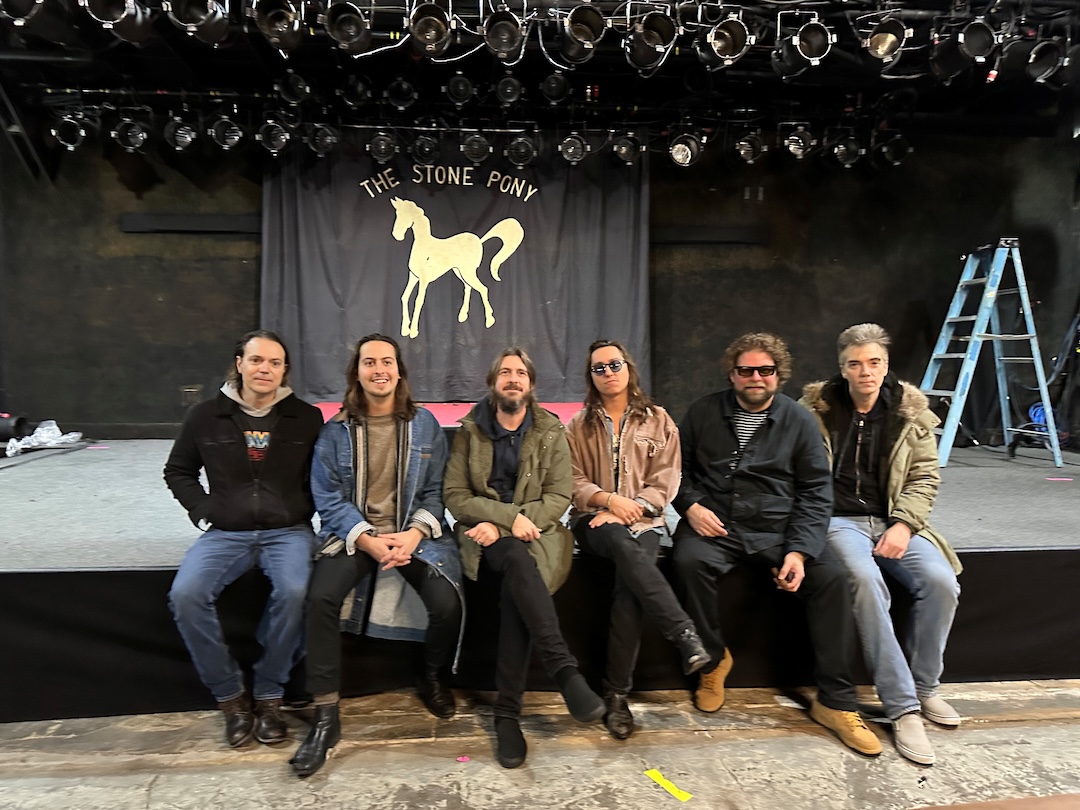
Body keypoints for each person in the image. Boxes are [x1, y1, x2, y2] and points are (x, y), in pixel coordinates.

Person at [671, 331, 882, 757]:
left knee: (833, 580)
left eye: (764, 370)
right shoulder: (702, 413)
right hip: (718, 524)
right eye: (745, 370)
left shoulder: (800, 421)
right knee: (687, 560)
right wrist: (690, 506)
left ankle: (835, 702)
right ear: (732, 374)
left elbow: (815, 492)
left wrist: (800, 551)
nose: (755, 378)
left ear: (778, 376)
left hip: (778, 529)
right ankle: (713, 661)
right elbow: (676, 472)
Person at [290, 334, 463, 778]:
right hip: (356, 537)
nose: (379, 369)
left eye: (387, 361)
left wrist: (415, 533)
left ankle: (433, 676)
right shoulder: (335, 431)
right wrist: (364, 536)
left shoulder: (425, 426)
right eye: (370, 362)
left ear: (399, 371)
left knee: (447, 603)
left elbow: (436, 491)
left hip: (412, 534)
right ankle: (326, 716)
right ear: (357, 372)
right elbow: (325, 496)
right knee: (320, 599)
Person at [801, 323, 962, 766]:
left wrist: (904, 525)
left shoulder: (912, 413)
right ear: (842, 368)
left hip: (896, 521)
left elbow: (925, 476)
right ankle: (902, 707)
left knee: (941, 581)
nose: (865, 371)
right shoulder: (815, 410)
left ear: (886, 365)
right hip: (839, 522)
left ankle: (925, 688)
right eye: (855, 364)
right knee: (865, 582)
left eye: (874, 362)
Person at [444, 347, 604, 769]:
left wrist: (512, 523)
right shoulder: (469, 430)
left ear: (531, 385)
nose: (512, 379)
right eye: (505, 373)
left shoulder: (551, 431)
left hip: (538, 534)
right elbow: (455, 497)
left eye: (520, 373)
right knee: (515, 559)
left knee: (519, 576)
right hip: (484, 536)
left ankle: (507, 714)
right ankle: (562, 668)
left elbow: (557, 498)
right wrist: (505, 520)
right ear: (492, 383)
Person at [165, 329, 323, 748]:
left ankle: (269, 695)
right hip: (227, 532)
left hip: (288, 531)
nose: (265, 369)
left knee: (295, 592)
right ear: (239, 363)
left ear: (285, 370)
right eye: (256, 360)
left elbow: (322, 479)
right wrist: (203, 511)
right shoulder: (203, 415)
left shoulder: (306, 418)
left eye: (274, 362)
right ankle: (231, 698)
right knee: (185, 595)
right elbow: (178, 471)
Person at [565, 339, 710, 740]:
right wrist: (609, 501)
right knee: (614, 536)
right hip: (593, 522)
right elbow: (573, 481)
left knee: (630, 591)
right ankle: (684, 633)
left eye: (614, 364)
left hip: (644, 523)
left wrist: (633, 507)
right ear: (591, 377)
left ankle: (616, 696)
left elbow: (667, 477)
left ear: (629, 368)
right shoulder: (577, 425)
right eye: (599, 368)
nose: (608, 373)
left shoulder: (659, 421)